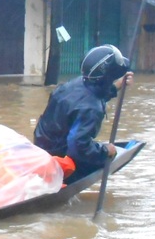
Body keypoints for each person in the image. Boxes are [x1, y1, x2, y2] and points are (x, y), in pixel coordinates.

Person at [34, 44, 133, 182]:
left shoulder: (77, 83)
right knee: (101, 156)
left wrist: (117, 86)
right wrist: (105, 152)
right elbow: (78, 147)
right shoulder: (92, 109)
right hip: (59, 159)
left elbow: (94, 95)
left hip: (41, 147)